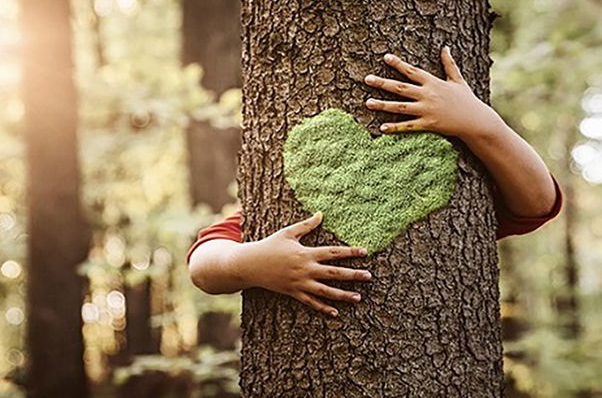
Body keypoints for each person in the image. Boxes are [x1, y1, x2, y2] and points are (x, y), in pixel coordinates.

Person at [187, 46, 562, 318]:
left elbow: (538, 202)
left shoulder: (466, 188)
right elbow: (203, 264)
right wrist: (251, 263)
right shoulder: (288, 201)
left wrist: (481, 124)